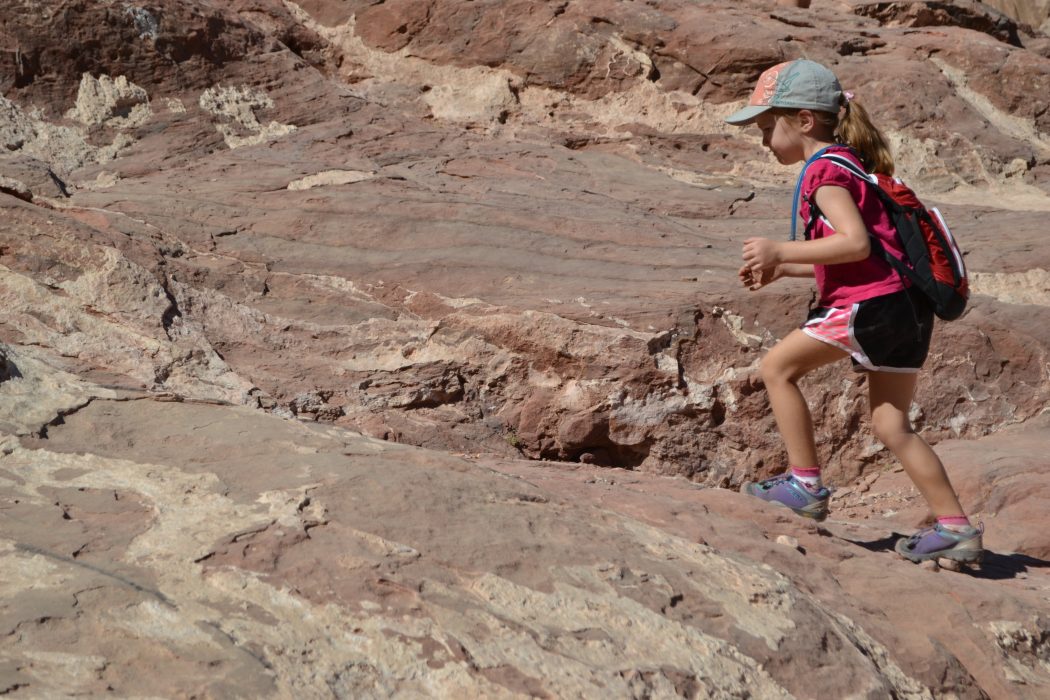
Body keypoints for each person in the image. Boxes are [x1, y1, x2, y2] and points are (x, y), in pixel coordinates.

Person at [724, 59, 982, 564]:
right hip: (905, 309)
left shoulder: (823, 170)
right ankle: (955, 528)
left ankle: (805, 486)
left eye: (764, 126)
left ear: (803, 120)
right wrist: (786, 269)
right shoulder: (854, 166)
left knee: (777, 368)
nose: (761, 139)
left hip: (872, 307)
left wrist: (779, 251)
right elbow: (858, 255)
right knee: (892, 426)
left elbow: (854, 244)